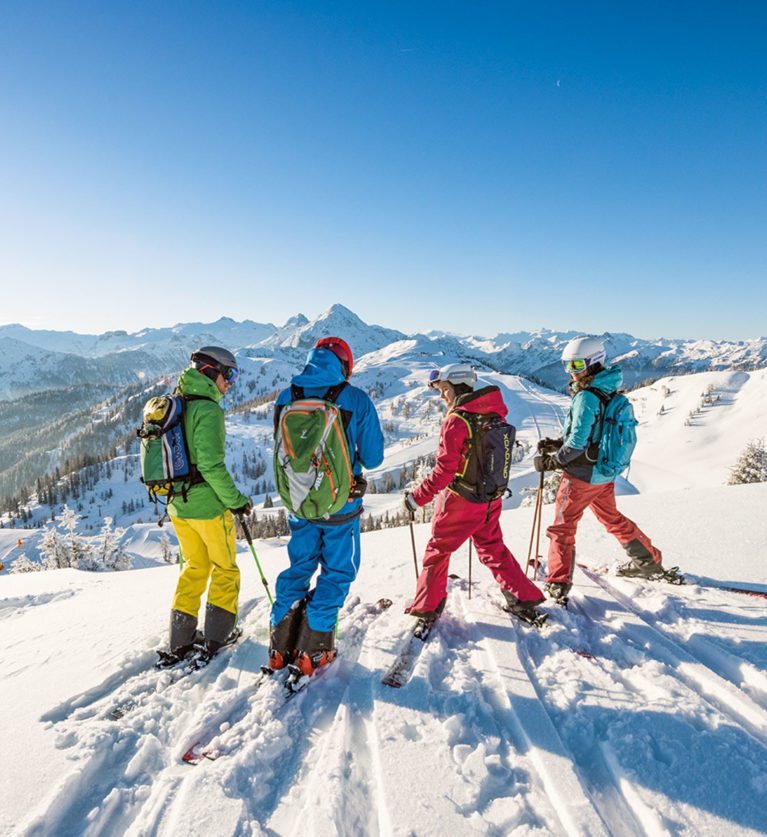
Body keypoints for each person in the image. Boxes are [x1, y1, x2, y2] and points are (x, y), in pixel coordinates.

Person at [269, 337, 384, 676]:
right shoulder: (355, 399)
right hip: (340, 504)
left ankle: (279, 646)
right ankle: (313, 652)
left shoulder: (286, 396)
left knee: (298, 567)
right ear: (345, 366)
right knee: (337, 571)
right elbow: (374, 457)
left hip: (300, 503)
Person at [404, 363, 546, 624]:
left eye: (444, 389)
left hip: (460, 501)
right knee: (493, 547)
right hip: (490, 499)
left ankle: (427, 608)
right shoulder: (494, 414)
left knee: (438, 550)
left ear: (457, 387)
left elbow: (444, 472)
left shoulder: (457, 421)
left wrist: (417, 498)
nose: (441, 396)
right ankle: (523, 598)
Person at [535, 336, 671, 604]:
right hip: (603, 473)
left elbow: (578, 441)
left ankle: (557, 582)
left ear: (594, 362)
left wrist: (555, 460)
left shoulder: (586, 396)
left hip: (580, 476)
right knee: (612, 518)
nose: (571, 371)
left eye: (576, 364)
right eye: (566, 365)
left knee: (562, 528)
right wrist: (556, 444)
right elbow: (592, 434)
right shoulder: (607, 389)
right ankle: (648, 561)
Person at [164, 346, 252, 662]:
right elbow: (211, 466)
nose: (231, 383)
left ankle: (180, 639)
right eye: (228, 374)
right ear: (209, 372)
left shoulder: (175, 402)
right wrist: (237, 501)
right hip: (207, 507)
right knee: (225, 569)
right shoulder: (208, 410)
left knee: (195, 567)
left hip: (177, 505)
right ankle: (218, 636)